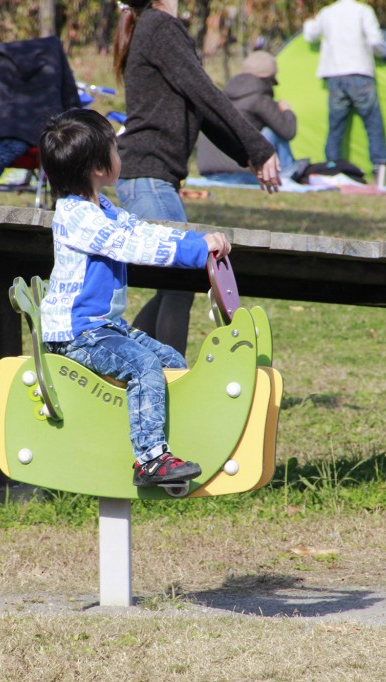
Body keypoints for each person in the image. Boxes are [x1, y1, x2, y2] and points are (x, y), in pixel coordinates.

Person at [38, 108, 232, 488]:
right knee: (143, 364)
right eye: (115, 148)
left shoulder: (104, 209)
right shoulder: (78, 217)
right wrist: (195, 252)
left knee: (171, 360)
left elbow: (145, 232)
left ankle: (169, 442)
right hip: (77, 334)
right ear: (98, 166)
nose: (119, 155)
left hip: (104, 329)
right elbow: (132, 245)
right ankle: (150, 461)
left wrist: (198, 242)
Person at [112, 0, 280, 357]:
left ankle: (122, 369)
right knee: (179, 281)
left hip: (148, 175)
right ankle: (169, 375)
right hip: (148, 174)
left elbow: (200, 105)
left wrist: (248, 152)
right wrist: (259, 147)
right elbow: (207, 93)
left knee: (174, 284)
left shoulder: (153, 27)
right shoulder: (160, 27)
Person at [303, 0, 386, 180]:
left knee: (335, 126)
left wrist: (308, 23)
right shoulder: (364, 11)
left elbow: (310, 35)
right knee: (373, 123)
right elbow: (375, 41)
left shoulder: (327, 13)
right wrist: (385, 53)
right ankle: (379, 166)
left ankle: (332, 168)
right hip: (360, 74)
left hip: (335, 75)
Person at [197, 50, 298, 185]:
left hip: (210, 173)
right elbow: (288, 131)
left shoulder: (223, 96)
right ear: (269, 78)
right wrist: (286, 111)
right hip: (242, 172)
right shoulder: (258, 98)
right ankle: (287, 174)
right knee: (272, 132)